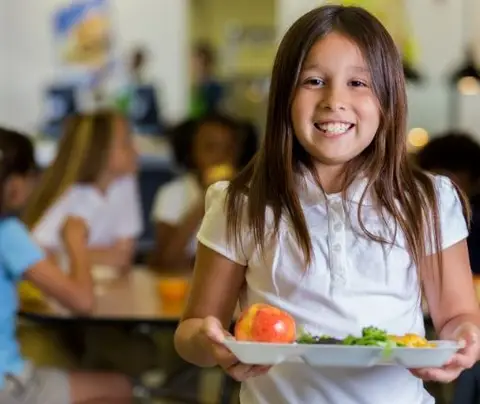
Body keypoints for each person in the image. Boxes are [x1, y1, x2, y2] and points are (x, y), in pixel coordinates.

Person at [174, 5, 480, 404]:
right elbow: (191, 330)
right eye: (314, 81)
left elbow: (458, 318)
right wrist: (209, 342)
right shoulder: (242, 203)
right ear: (284, 95)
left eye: (358, 83)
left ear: (388, 99)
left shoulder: (427, 201)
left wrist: (465, 341)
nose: (334, 100)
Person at [0, 127, 133, 403]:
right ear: (14, 185)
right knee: (119, 387)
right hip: (8, 384)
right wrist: (75, 241)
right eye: (30, 176)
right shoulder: (7, 232)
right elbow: (82, 302)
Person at [151, 113, 257, 268]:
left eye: (228, 149)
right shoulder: (172, 193)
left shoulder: (249, 195)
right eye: (210, 147)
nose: (220, 157)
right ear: (192, 151)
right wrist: (206, 200)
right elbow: (165, 261)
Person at [189, 42, 225, 118]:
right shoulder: (195, 85)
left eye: (200, 62)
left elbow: (216, 110)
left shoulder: (214, 86)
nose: (196, 65)